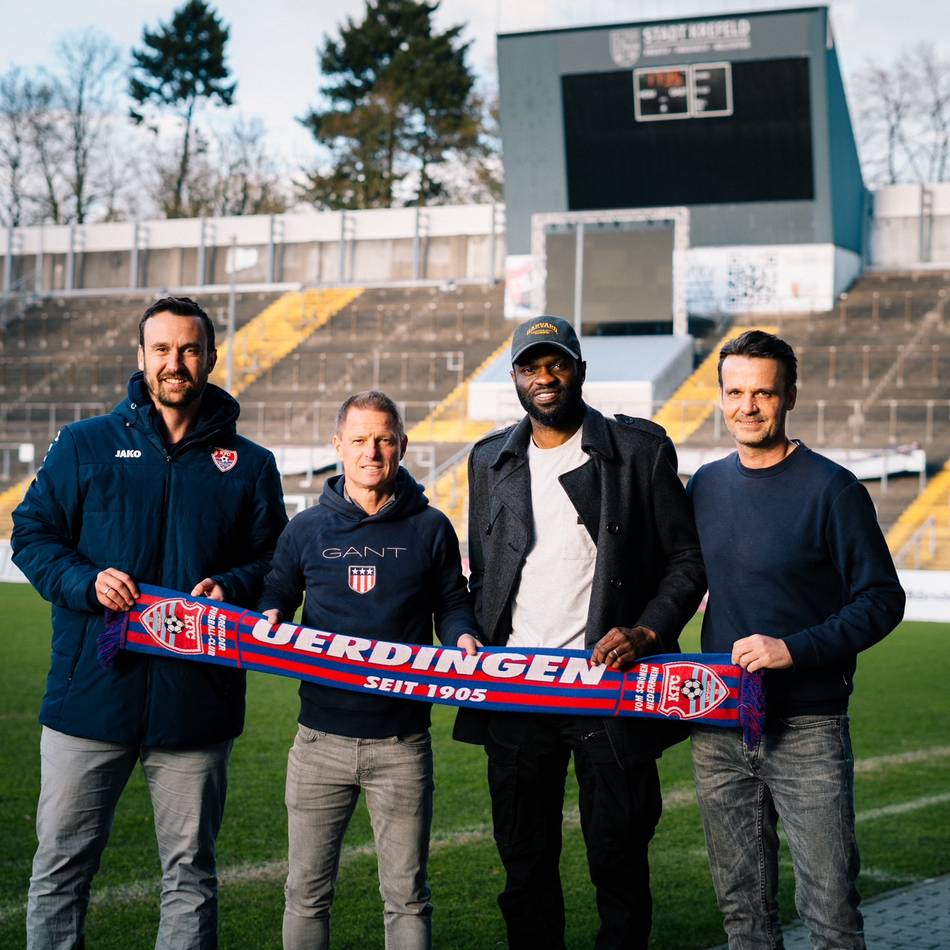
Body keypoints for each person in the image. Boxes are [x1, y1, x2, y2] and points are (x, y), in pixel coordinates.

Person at [12, 295, 287, 950]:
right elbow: (32, 535)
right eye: (161, 348)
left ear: (210, 358)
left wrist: (233, 586)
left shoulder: (250, 464)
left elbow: (277, 565)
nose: (175, 362)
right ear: (141, 356)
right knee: (60, 870)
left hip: (196, 701)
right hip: (89, 697)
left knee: (190, 874)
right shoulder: (84, 444)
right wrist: (84, 581)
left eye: (189, 349)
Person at [455, 315, 707, 950]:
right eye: (530, 366)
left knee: (619, 859)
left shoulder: (640, 451)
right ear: (515, 377)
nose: (544, 377)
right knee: (524, 863)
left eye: (557, 363)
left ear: (580, 370)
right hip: (517, 689)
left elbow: (686, 561)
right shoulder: (488, 460)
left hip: (609, 687)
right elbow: (485, 574)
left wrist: (648, 632)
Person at [687, 329, 905, 949]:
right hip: (720, 724)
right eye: (735, 393)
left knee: (830, 913)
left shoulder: (833, 489)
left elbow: (882, 599)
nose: (748, 406)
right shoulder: (704, 485)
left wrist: (793, 648)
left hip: (808, 726)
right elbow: (679, 580)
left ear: (789, 397)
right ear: (721, 397)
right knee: (743, 915)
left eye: (763, 393)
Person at [258, 389, 478, 950]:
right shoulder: (307, 528)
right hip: (318, 742)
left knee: (407, 898)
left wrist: (461, 635)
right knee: (305, 895)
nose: (371, 452)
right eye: (359, 440)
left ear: (401, 445)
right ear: (338, 445)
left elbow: (451, 603)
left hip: (401, 744)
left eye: (383, 440)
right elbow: (278, 589)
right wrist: (272, 610)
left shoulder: (430, 527)